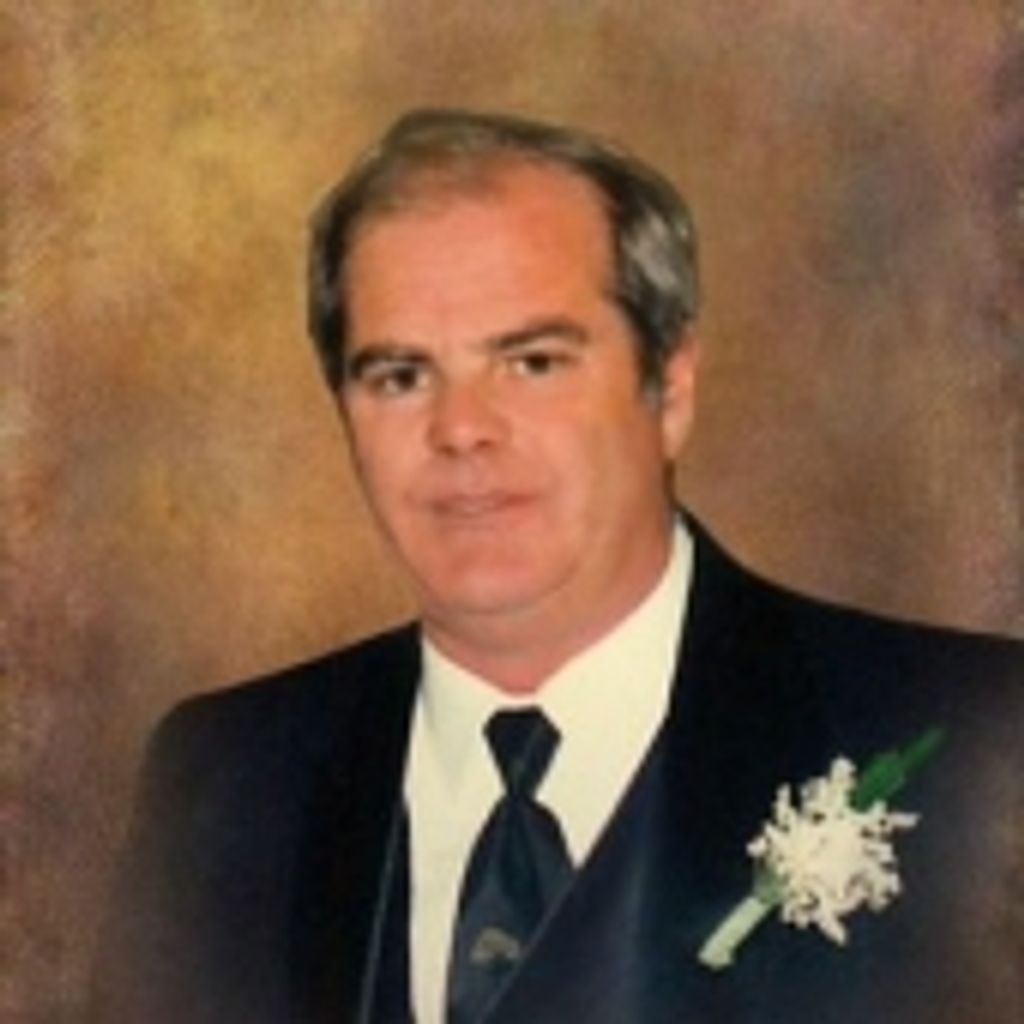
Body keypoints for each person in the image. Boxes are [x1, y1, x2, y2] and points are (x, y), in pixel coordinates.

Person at [90, 109, 1022, 1024]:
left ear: (670, 390)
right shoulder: (223, 780)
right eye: (401, 377)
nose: (461, 429)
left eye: (532, 362)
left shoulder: (980, 742)